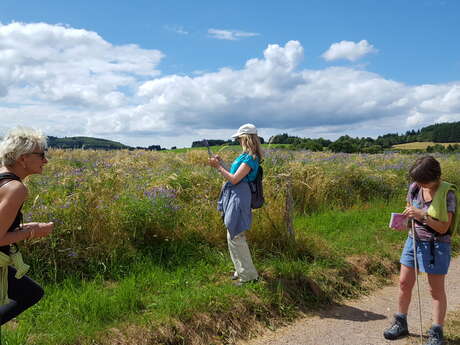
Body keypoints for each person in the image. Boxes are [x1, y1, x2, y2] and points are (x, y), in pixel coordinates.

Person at [384, 156, 458, 345]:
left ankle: (436, 332)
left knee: (435, 291)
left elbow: (443, 228)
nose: (420, 184)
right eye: (417, 180)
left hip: (437, 246)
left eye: (424, 181)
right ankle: (400, 323)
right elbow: (410, 210)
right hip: (413, 241)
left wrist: (421, 216)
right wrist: (403, 220)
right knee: (403, 283)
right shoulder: (415, 188)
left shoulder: (447, 193)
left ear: (436, 177)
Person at [0, 127, 53, 325]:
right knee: (31, 293)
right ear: (23, 158)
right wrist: (33, 232)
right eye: (41, 155)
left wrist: (29, 226)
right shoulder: (15, 188)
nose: (45, 161)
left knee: (30, 292)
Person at [209, 123, 262, 286]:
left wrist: (218, 167)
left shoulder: (250, 158)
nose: (238, 141)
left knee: (235, 234)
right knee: (232, 233)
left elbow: (234, 179)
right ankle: (240, 270)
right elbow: (233, 174)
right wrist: (222, 163)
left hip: (240, 195)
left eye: (239, 139)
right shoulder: (244, 157)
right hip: (235, 194)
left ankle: (249, 276)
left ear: (246, 139)